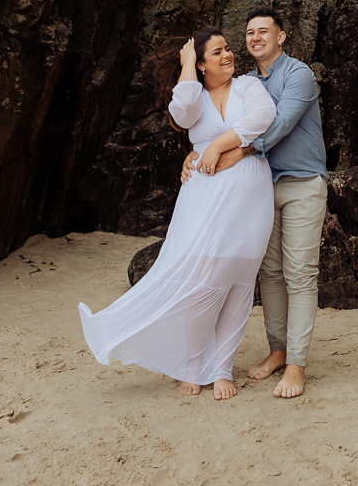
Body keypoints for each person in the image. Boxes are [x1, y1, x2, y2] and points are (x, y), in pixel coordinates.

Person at [79, 27, 276, 400]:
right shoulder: (195, 95)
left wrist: (217, 144)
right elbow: (182, 113)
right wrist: (187, 66)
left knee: (238, 284)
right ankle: (191, 364)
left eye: (228, 49)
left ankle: (220, 369)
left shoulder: (250, 87)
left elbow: (263, 117)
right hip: (204, 196)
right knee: (200, 281)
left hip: (250, 195)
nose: (228, 55)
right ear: (201, 64)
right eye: (216, 52)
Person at [182, 6, 327, 398]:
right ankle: (278, 351)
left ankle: (296, 366)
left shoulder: (299, 74)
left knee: (300, 273)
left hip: (300, 183)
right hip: (261, 190)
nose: (255, 37)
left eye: (264, 31)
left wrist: (241, 151)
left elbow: (279, 123)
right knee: (270, 274)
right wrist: (194, 152)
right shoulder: (245, 81)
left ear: (281, 36)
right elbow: (220, 127)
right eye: (249, 33)